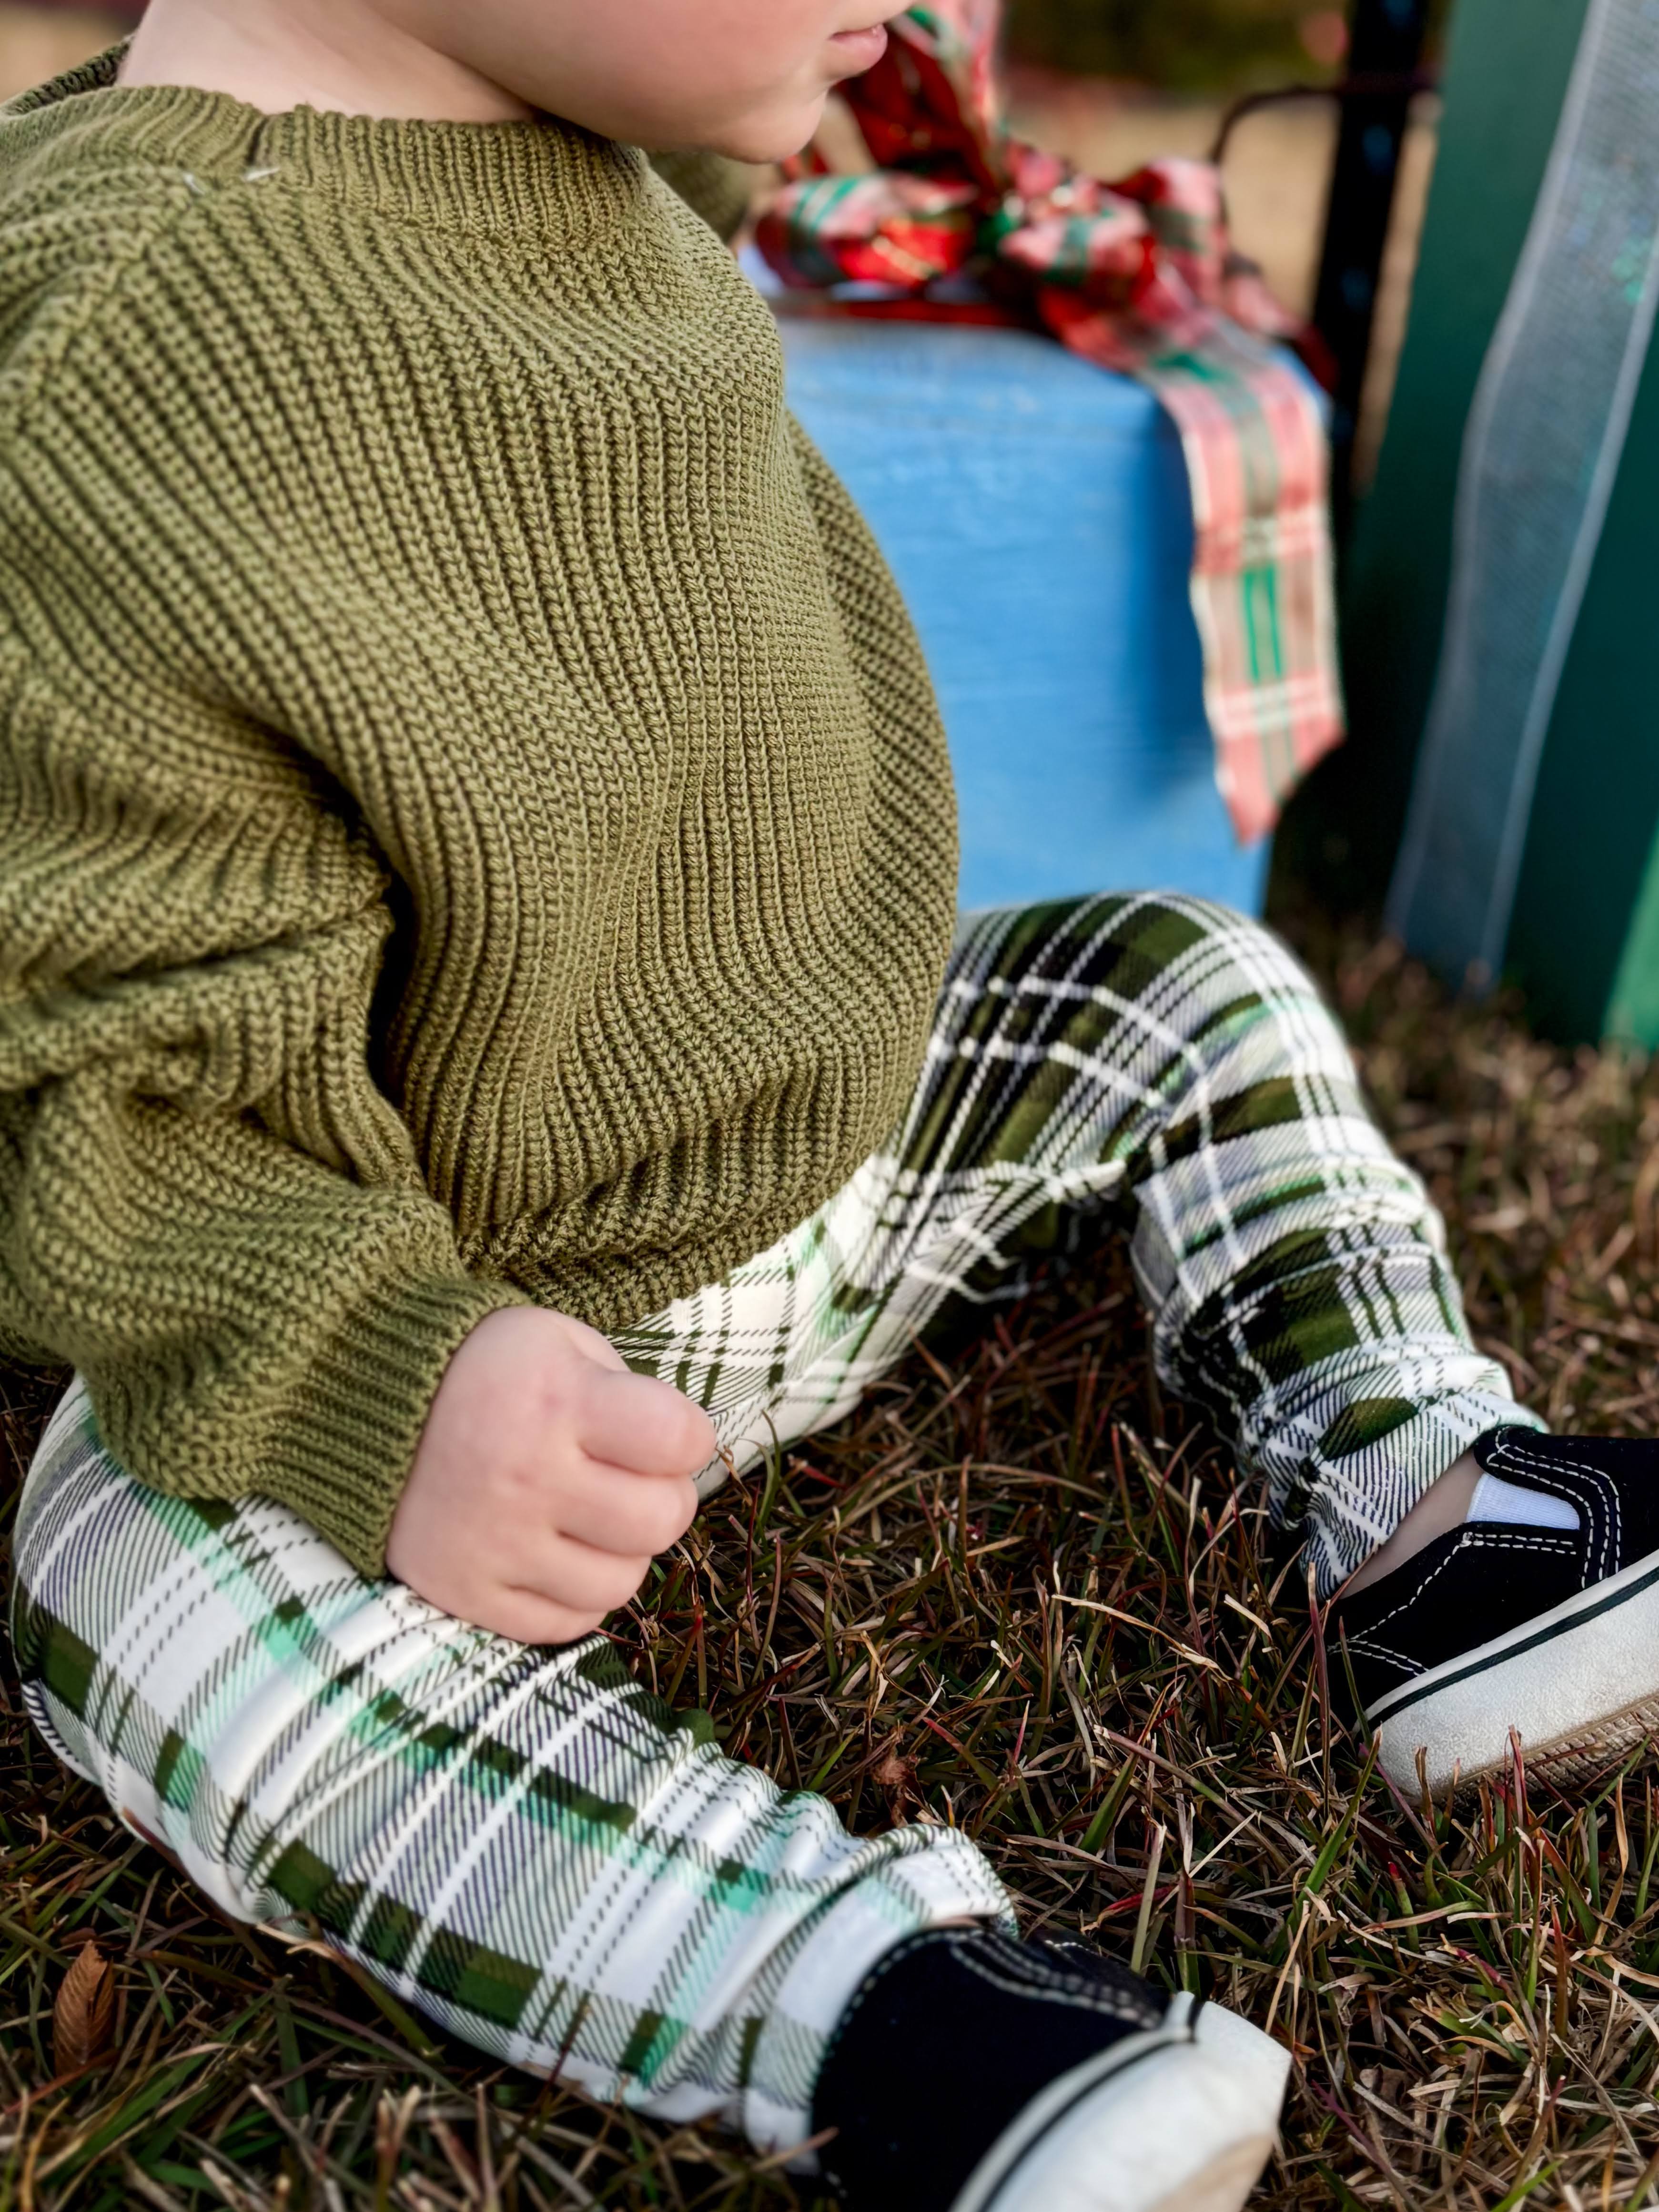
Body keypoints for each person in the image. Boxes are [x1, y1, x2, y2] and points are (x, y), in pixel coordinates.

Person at [0, 3, 1651, 2205]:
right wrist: (382, 1379)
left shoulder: (563, 118)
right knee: (132, 1555)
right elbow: (87, 1070)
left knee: (1179, 972)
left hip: (827, 1146)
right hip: (488, 1303)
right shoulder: (130, 368)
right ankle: (855, 2002)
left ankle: (1442, 1511)